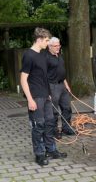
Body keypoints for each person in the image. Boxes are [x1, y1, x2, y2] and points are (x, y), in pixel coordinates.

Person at [20, 28, 67, 166]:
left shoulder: (42, 54)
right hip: (35, 97)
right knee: (38, 125)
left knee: (50, 123)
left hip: (45, 96)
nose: (48, 43)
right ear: (39, 39)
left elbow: (44, 77)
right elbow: (23, 79)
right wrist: (29, 99)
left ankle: (51, 150)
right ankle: (39, 154)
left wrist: (49, 94)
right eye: (46, 40)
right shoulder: (28, 55)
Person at [46, 37, 75, 139]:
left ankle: (66, 128)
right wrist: (47, 91)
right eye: (56, 46)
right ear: (49, 46)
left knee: (67, 107)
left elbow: (61, 72)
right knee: (54, 110)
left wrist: (66, 85)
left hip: (62, 85)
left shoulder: (59, 56)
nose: (58, 47)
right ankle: (54, 131)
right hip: (52, 86)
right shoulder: (46, 58)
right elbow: (43, 75)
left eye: (59, 45)